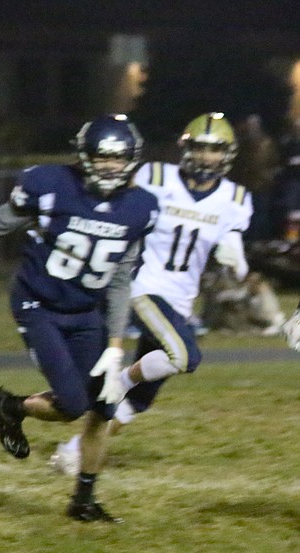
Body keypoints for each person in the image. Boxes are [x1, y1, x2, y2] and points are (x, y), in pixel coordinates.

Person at [0, 115, 159, 523]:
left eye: (120, 158)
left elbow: (119, 281)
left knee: (106, 404)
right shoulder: (52, 187)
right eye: (103, 157)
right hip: (38, 305)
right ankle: (11, 406)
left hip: (85, 311)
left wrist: (115, 347)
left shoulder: (140, 208)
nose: (112, 165)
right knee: (74, 404)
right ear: (85, 156)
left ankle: (83, 500)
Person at [49, 113, 254, 476]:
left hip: (179, 301)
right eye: (201, 148)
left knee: (139, 401)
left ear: (228, 154)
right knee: (185, 356)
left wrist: (233, 256)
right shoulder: (155, 177)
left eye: (215, 150)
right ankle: (120, 379)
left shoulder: (236, 198)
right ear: (186, 148)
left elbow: (231, 244)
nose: (207, 158)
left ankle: (75, 450)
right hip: (142, 287)